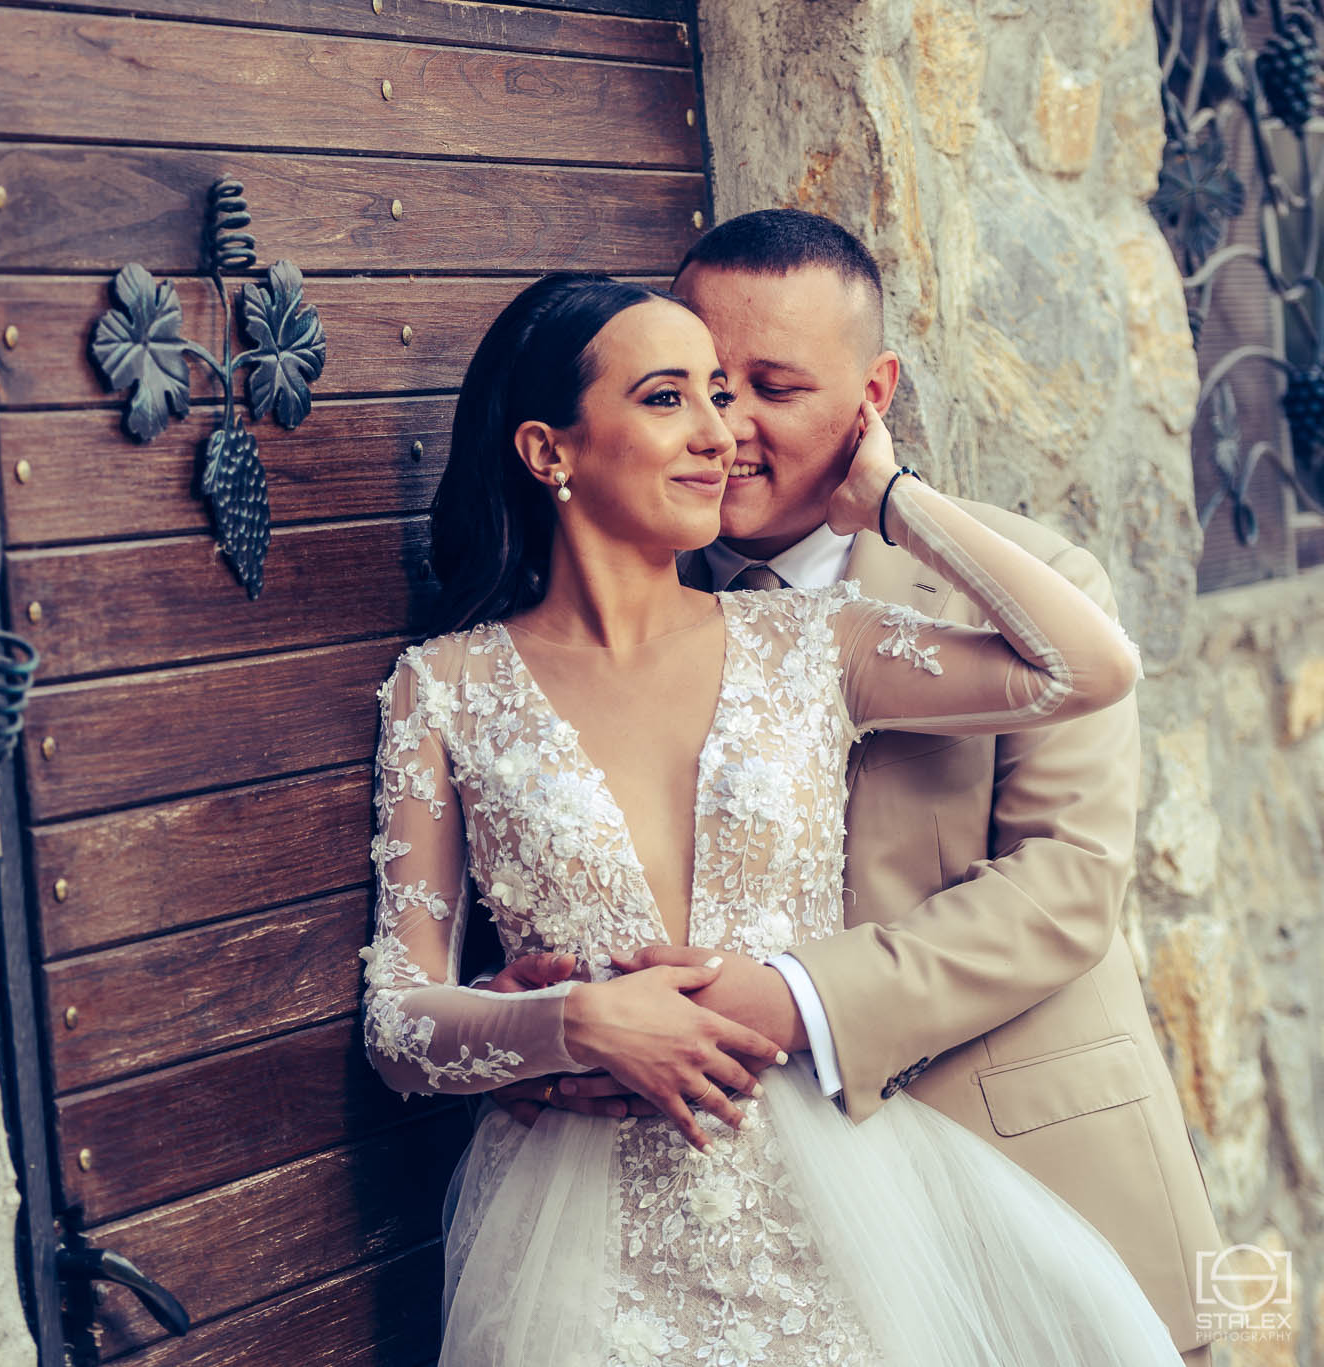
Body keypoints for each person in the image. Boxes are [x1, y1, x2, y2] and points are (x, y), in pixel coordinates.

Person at [363, 270, 1184, 1365]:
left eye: (723, 394)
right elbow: (397, 1020)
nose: (721, 433)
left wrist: (891, 497)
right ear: (547, 450)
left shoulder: (810, 640)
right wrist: (569, 1025)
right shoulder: (443, 688)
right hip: (581, 1241)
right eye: (670, 398)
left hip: (833, 1205)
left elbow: (1088, 667)